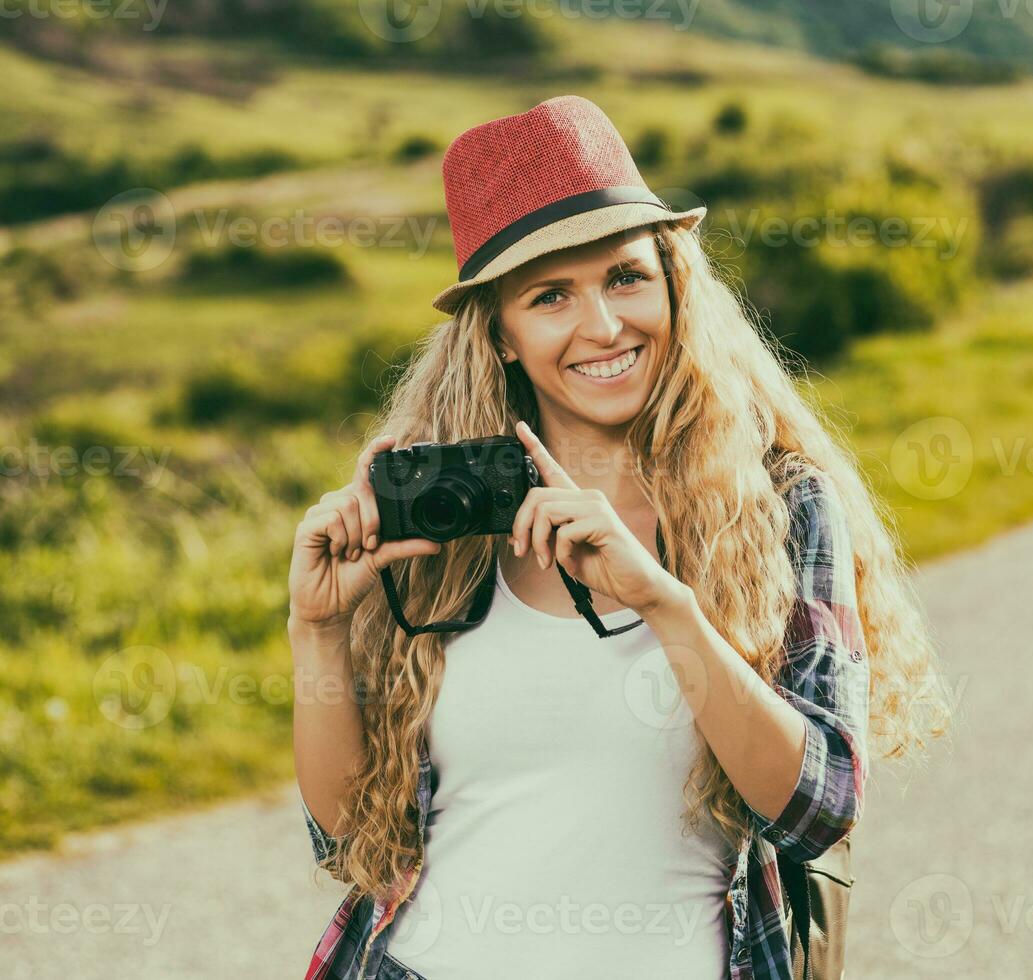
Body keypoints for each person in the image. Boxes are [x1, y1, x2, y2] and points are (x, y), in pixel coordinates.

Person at [289, 95, 951, 980]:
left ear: (675, 286)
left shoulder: (778, 506)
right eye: (551, 296)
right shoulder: (445, 534)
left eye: (627, 277)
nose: (603, 326)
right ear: (502, 336)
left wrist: (665, 605)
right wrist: (318, 631)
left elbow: (818, 807)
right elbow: (348, 838)